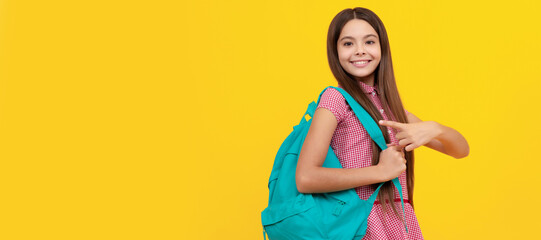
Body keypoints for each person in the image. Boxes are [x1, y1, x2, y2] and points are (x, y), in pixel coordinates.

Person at [295, 7, 469, 239]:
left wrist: (435, 128)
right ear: (334, 51)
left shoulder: (391, 108)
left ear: (382, 47)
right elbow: (306, 178)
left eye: (369, 41)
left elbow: (461, 150)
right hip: (360, 223)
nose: (359, 51)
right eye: (348, 43)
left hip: (399, 221)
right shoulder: (336, 99)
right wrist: (380, 172)